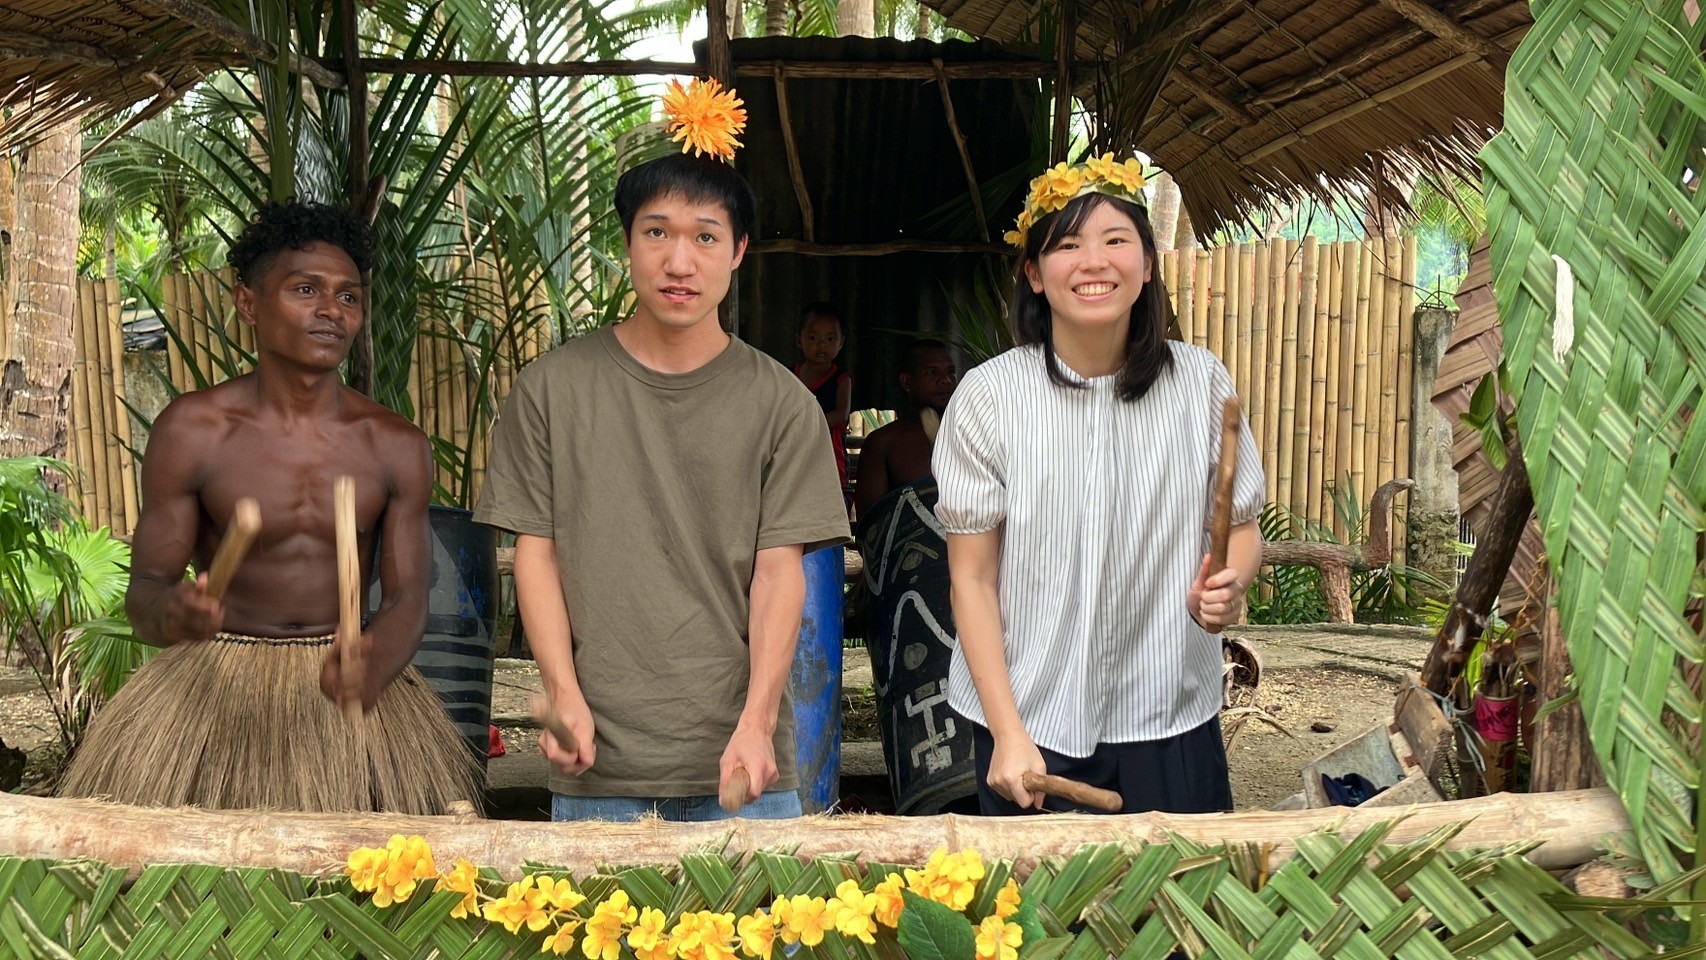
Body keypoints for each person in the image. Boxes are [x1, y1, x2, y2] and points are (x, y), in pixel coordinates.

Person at [474, 78, 850, 823]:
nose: (680, 261)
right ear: (626, 244)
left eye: (706, 237)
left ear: (738, 252)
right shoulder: (552, 389)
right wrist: (560, 692)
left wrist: (757, 722)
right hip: (597, 766)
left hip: (745, 766)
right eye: (657, 233)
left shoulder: (782, 404)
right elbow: (536, 554)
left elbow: (780, 574)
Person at [59, 200, 479, 814]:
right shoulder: (194, 432)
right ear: (248, 303)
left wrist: (377, 661)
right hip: (214, 695)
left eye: (348, 296)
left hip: (346, 692)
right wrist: (175, 612)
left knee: (367, 870)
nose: (331, 310)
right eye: (306, 290)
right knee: (189, 873)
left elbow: (407, 599)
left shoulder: (394, 445)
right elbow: (146, 595)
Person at [933, 156, 1265, 816]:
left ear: (1147, 265)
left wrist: (1230, 583)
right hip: (1027, 718)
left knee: (1184, 884)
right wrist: (1007, 731)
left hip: (1169, 711)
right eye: (1067, 245)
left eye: (1116, 240)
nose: (1093, 262)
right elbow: (972, 578)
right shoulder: (989, 397)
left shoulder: (1200, 383)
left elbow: (1242, 529)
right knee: (1037, 890)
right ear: (1034, 273)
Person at [852, 338, 957, 519]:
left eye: (951, 372)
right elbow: (870, 524)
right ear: (907, 382)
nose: (945, 380)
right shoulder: (883, 442)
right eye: (932, 372)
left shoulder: (970, 436)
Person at [793, 303, 853, 500]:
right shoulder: (789, 376)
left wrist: (806, 425)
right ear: (799, 340)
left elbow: (842, 414)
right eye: (813, 338)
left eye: (830, 339)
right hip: (794, 456)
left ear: (841, 343)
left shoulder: (841, 379)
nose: (822, 345)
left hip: (830, 459)